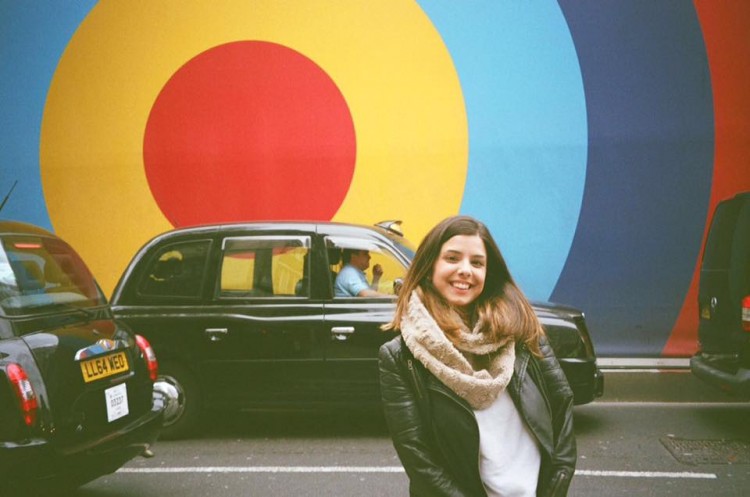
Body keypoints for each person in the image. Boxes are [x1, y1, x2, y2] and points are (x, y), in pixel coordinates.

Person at [378, 215, 576, 497]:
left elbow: (561, 403)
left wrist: (558, 481)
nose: (465, 270)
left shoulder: (521, 331)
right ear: (430, 265)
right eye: (452, 258)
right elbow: (418, 456)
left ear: (488, 271)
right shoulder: (400, 357)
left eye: (477, 263)